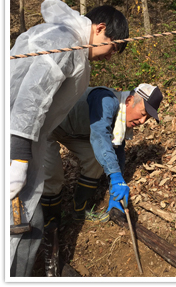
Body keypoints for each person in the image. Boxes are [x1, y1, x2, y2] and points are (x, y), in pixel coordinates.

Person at [9, 0, 128, 276]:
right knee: (20, 226)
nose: (110, 57)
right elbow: (30, 99)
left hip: (28, 138)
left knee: (27, 224)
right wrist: (17, 154)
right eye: (113, 48)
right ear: (100, 29)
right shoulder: (65, 41)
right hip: (16, 140)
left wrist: (117, 177)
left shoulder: (70, 44)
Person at [40, 84, 163, 275]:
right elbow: (99, 135)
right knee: (53, 176)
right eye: (142, 113)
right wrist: (114, 176)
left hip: (73, 132)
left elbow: (117, 151)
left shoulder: (123, 119)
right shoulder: (106, 100)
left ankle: (79, 209)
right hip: (48, 125)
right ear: (130, 101)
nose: (142, 120)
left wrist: (119, 180)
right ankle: (50, 228)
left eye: (147, 117)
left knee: (97, 160)